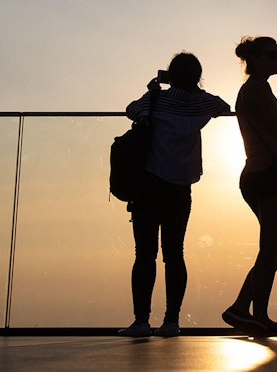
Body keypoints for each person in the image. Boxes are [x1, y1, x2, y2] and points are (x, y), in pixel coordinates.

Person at [118, 52, 230, 338]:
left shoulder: (157, 100)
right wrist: (196, 92)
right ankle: (171, 320)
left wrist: (152, 91)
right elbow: (224, 106)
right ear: (197, 76)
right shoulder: (203, 103)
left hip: (150, 185)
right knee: (174, 255)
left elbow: (131, 109)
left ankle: (141, 320)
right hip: (181, 190)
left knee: (144, 255)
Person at [222, 36, 277, 338]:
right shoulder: (256, 88)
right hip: (268, 173)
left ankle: (250, 312)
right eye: (270, 55)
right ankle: (248, 311)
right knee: (275, 246)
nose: (275, 60)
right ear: (254, 59)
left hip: (261, 173)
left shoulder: (254, 89)